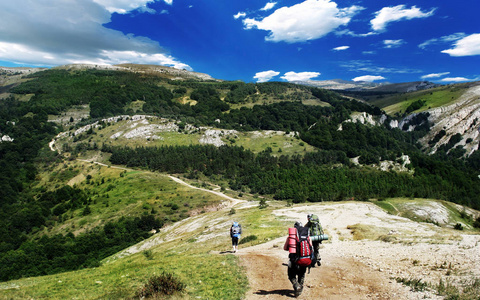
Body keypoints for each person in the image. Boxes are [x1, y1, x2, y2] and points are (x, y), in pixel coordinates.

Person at [284, 221, 313, 297]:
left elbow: (285, 248)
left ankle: (296, 286)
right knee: (302, 274)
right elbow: (311, 248)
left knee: (291, 275)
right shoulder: (307, 237)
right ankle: (299, 289)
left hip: (294, 260)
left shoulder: (291, 237)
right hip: (305, 259)